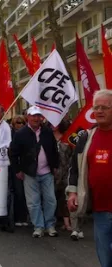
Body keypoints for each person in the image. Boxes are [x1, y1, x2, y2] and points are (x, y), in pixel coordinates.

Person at [67, 90, 112, 267]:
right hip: (100, 210)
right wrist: (72, 193)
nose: (99, 111)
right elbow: (74, 167)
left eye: (104, 107)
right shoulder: (86, 137)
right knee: (105, 257)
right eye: (96, 107)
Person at [10, 106, 59, 238]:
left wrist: (55, 165)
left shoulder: (47, 132)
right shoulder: (21, 134)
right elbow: (13, 154)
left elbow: (54, 150)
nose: (36, 118)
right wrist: (18, 170)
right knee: (33, 202)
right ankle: (38, 226)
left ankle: (50, 225)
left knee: (50, 199)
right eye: (33, 116)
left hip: (47, 171)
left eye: (38, 116)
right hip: (29, 172)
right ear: (28, 117)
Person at [51, 120, 76, 237]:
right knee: (52, 196)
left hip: (66, 170)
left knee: (65, 196)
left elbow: (72, 154)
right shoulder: (48, 137)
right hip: (53, 171)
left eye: (54, 123)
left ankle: (67, 222)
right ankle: (53, 220)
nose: (52, 126)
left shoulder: (67, 137)